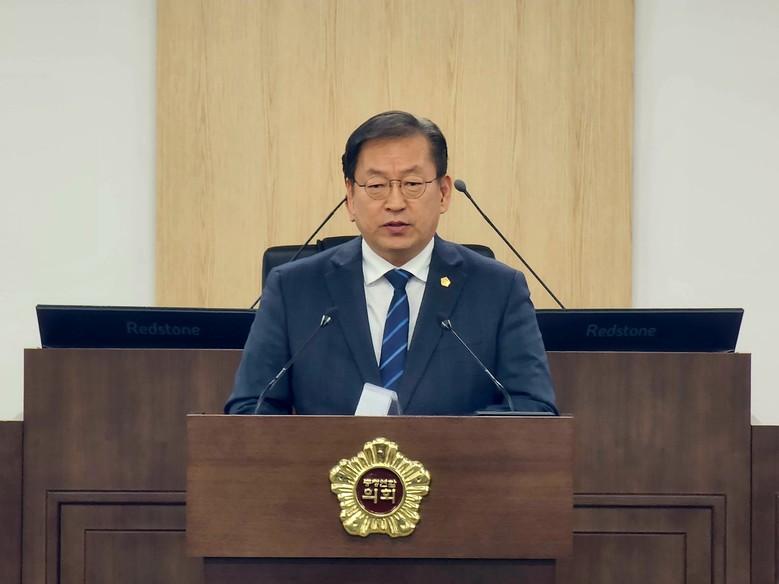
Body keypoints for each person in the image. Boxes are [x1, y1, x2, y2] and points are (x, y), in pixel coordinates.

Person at [225, 111, 557, 415]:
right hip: (327, 465)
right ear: (350, 197)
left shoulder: (498, 290)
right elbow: (250, 410)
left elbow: (533, 410)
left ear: (443, 193)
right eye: (376, 186)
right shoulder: (293, 289)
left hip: (455, 465)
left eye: (412, 184)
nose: (395, 202)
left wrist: (444, 444)